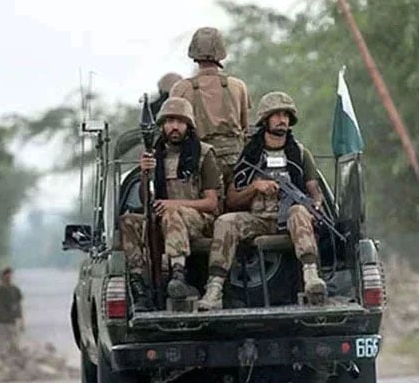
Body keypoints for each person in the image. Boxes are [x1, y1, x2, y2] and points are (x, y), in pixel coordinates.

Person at [198, 91, 326, 310]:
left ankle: (311, 277)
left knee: (299, 212)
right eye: (276, 115)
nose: (282, 120)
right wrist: (254, 187)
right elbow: (233, 198)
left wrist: (315, 205)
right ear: (265, 120)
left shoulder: (300, 154)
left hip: (289, 221)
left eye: (285, 115)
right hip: (258, 219)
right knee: (225, 222)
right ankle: (214, 289)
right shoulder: (250, 155)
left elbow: (314, 190)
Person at [120, 97, 222, 311]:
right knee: (129, 221)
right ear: (162, 126)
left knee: (171, 213)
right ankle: (139, 285)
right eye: (169, 121)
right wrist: (146, 173)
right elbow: (147, 201)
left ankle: (178, 274)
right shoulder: (155, 155)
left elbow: (211, 203)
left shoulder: (203, 154)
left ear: (188, 125)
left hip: (199, 220)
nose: (174, 127)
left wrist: (173, 204)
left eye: (179, 121)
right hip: (162, 218)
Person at [169, 27, 252, 198]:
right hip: (235, 162)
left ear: (193, 52)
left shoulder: (181, 88)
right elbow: (245, 128)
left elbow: (172, 127)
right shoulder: (238, 86)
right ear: (221, 52)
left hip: (199, 161)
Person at [0, 267, 24, 357]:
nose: (8, 277)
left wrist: (22, 321)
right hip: (0, 321)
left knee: (14, 345)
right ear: (2, 277)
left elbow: (19, 306)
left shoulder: (15, 290)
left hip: (12, 321)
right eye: (6, 275)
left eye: (10, 275)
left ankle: (12, 364)